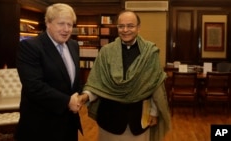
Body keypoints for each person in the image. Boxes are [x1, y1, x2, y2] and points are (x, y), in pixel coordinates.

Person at [79, 10, 171, 141]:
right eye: (121, 26)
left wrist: (154, 112)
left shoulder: (150, 52)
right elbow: (97, 82)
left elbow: (155, 85)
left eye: (130, 26)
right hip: (109, 119)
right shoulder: (106, 52)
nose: (125, 30)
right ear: (117, 28)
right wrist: (86, 95)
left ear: (138, 28)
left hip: (139, 121)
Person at [15, 3, 82, 141]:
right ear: (48, 23)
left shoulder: (73, 45)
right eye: (61, 24)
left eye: (70, 24)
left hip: (69, 124)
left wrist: (81, 96)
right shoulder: (30, 47)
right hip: (41, 126)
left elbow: (73, 81)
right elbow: (33, 86)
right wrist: (67, 101)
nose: (66, 29)